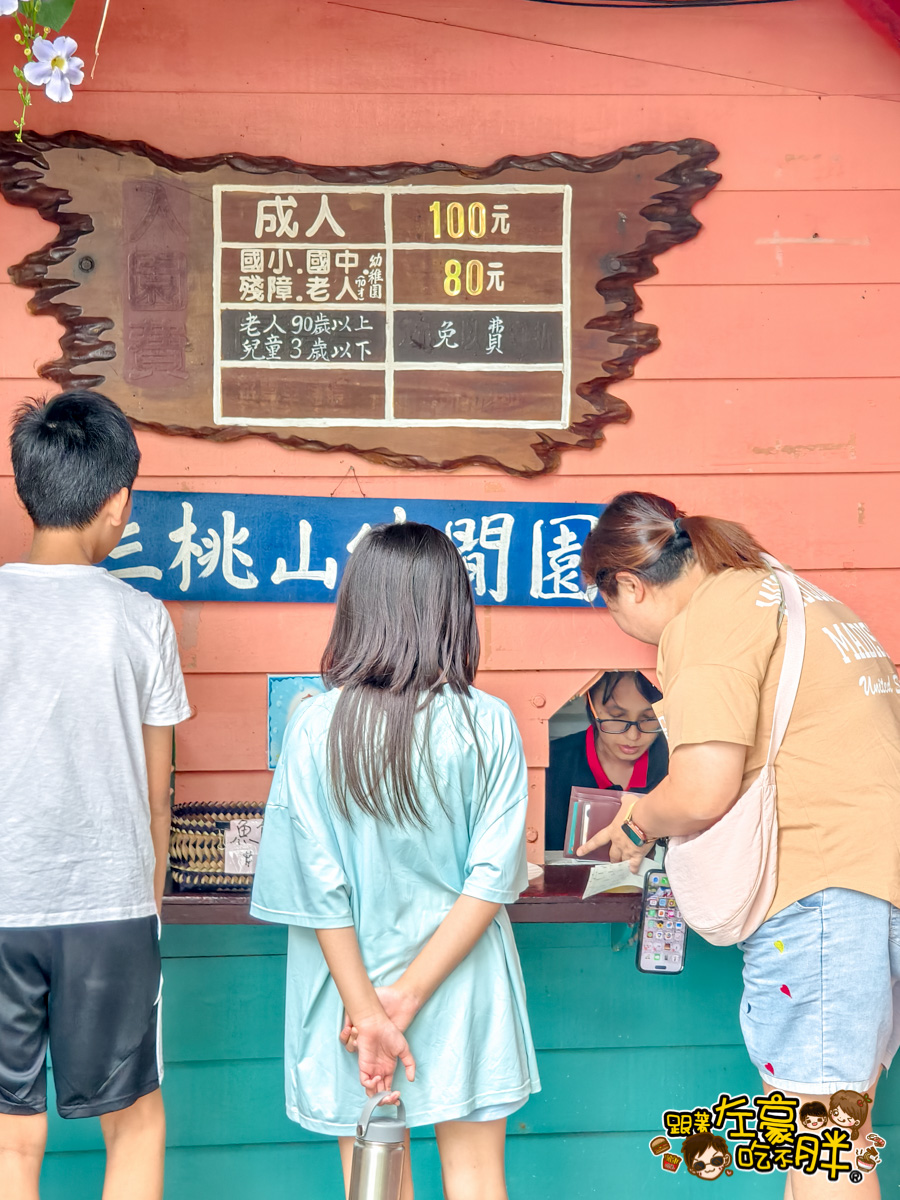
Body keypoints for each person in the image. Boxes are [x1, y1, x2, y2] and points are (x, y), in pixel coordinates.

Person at [578, 490, 900, 1200]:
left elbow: (702, 786)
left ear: (628, 583)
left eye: (610, 604)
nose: (623, 624)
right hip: (871, 883)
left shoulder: (711, 618)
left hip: (823, 888)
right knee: (832, 1127)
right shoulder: (790, 595)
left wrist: (637, 822)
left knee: (821, 1140)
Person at [250, 522, 540, 1200]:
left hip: (347, 998)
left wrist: (370, 1010)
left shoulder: (315, 724)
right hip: (461, 982)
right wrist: (405, 1000)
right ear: (454, 611)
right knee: (476, 1180)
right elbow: (491, 880)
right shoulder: (489, 721)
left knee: (375, 1183)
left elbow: (316, 891)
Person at [0, 392, 192, 1200]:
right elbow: (159, 793)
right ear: (118, 504)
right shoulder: (140, 618)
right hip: (108, 907)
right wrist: (147, 908)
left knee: (12, 1135)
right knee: (135, 1121)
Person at [544, 670, 668, 850]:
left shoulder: (676, 762)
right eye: (617, 716)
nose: (633, 736)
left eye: (648, 718)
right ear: (590, 704)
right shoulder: (551, 765)